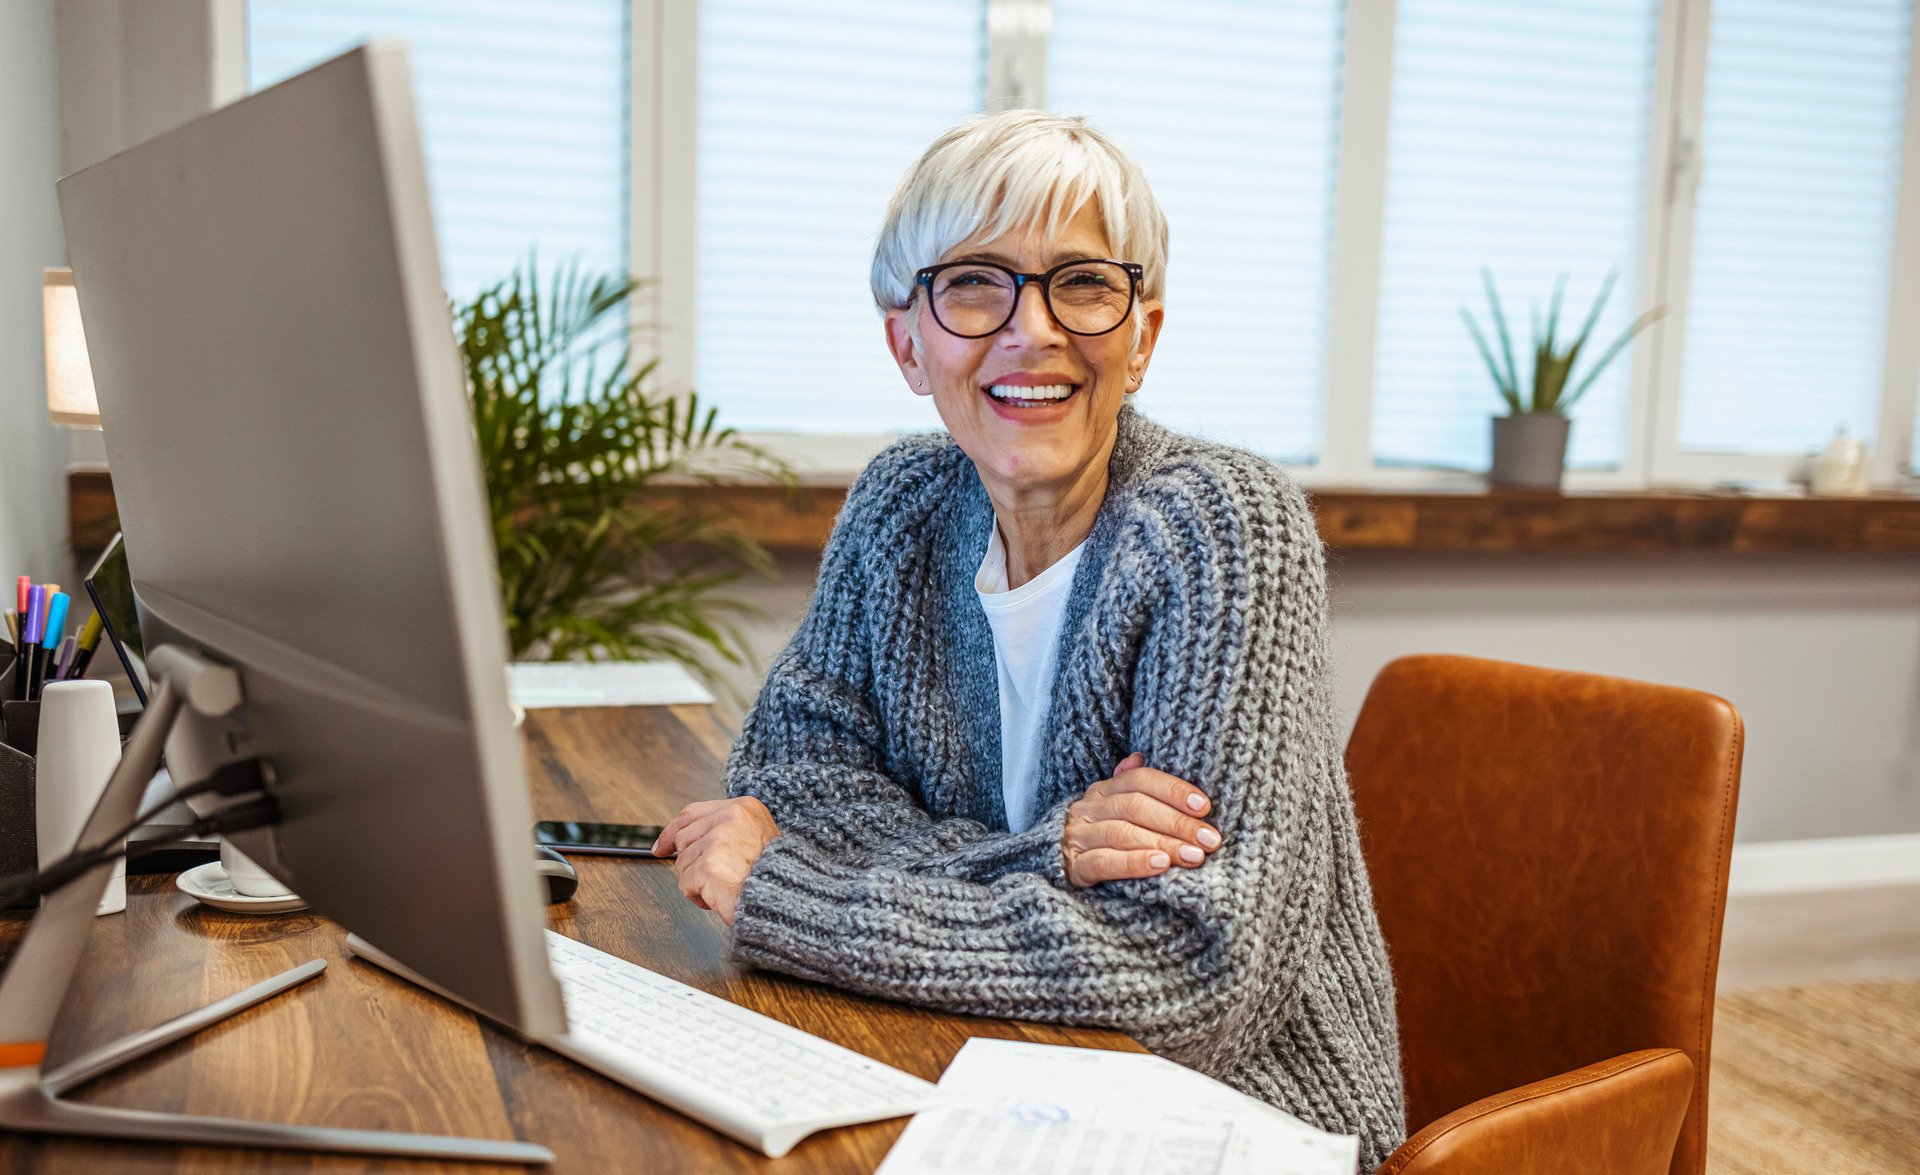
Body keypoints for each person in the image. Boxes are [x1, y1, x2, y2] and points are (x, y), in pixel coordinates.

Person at [653, 108, 1405, 1166]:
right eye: (973, 282)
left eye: (1084, 282)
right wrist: (1047, 850)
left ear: (1142, 333)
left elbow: (1191, 969)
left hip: (1240, 1114)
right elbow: (792, 782)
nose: (1033, 329)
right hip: (982, 1065)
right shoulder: (902, 504)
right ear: (906, 343)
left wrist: (797, 893)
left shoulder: (1223, 525)